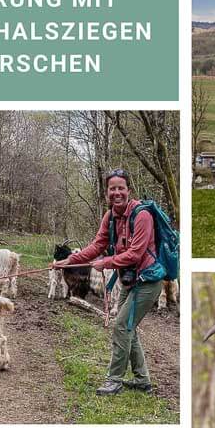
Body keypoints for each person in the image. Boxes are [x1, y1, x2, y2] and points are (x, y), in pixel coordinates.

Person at [54, 169, 163, 396]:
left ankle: (114, 380)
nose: (116, 193)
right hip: (129, 281)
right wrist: (69, 260)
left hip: (148, 281)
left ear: (128, 191)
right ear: (107, 192)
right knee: (128, 327)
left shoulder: (142, 216)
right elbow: (96, 246)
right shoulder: (110, 216)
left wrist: (106, 262)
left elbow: (135, 254)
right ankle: (143, 381)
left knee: (122, 326)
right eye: (112, 189)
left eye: (120, 188)